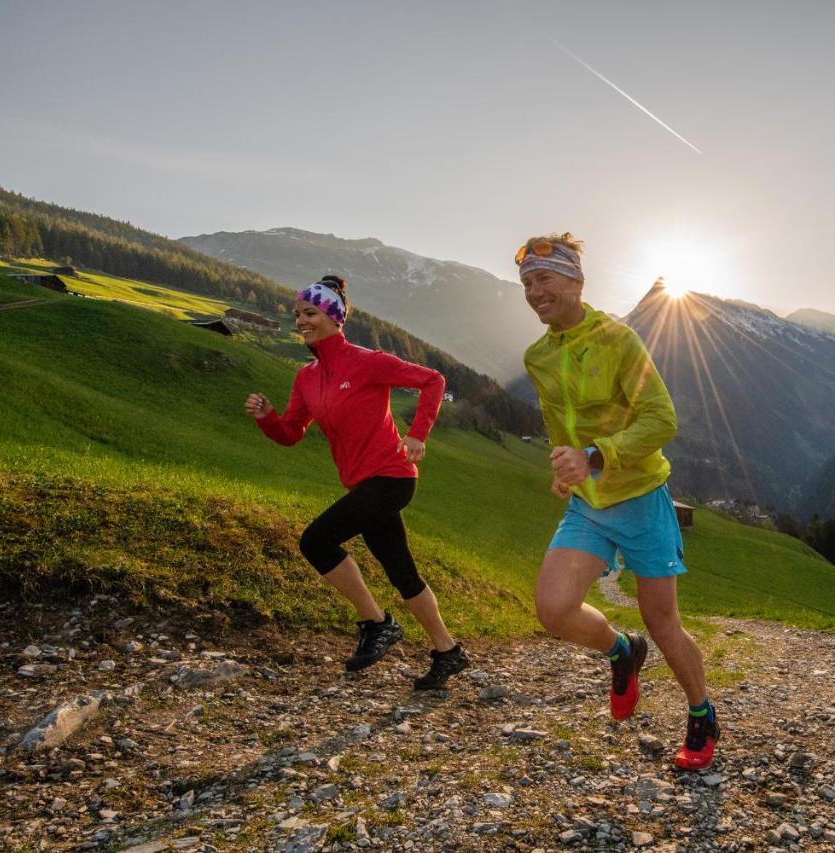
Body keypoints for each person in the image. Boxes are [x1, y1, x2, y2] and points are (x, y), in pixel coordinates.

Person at [517, 234, 719, 770]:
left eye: (546, 279)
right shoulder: (538, 355)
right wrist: (565, 467)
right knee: (554, 609)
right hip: (586, 502)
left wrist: (596, 456)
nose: (535, 291)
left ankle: (701, 715)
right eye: (528, 283)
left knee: (664, 623)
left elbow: (662, 419)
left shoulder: (618, 339)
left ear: (576, 282)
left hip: (640, 497)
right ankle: (620, 651)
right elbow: (557, 423)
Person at [245, 274, 469, 689]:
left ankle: (377, 622)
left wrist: (418, 432)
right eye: (297, 315)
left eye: (310, 313)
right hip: (362, 484)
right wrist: (268, 419)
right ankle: (448, 651)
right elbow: (292, 434)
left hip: (392, 476)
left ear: (334, 317)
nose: (302, 322)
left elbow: (432, 380)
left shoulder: (367, 361)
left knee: (316, 541)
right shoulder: (307, 378)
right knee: (402, 572)